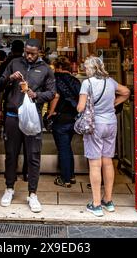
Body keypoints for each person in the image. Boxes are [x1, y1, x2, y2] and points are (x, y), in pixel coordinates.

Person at [0, 38, 56, 213]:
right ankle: (9, 189)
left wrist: (35, 95)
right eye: (27, 52)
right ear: (24, 50)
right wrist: (9, 78)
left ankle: (33, 194)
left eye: (33, 53)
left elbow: (52, 93)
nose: (29, 56)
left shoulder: (46, 69)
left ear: (39, 52)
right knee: (11, 154)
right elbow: (0, 84)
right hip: (12, 116)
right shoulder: (14, 63)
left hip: (32, 117)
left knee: (33, 156)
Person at [77, 56, 130, 217]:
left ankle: (96, 204)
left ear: (90, 69)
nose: (85, 70)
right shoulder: (110, 81)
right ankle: (108, 200)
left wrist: (87, 107)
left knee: (95, 164)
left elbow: (80, 108)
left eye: (86, 67)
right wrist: (113, 103)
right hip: (111, 123)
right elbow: (126, 92)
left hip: (95, 125)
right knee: (108, 162)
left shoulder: (87, 83)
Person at [0, 40, 28, 180]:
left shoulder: (4, 64)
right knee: (28, 144)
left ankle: (11, 173)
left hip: (9, 107)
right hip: (26, 108)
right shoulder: (25, 64)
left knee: (11, 146)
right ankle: (26, 172)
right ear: (23, 50)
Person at [48, 56, 81, 188]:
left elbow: (55, 96)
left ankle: (65, 179)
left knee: (63, 148)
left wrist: (50, 112)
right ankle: (71, 175)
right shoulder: (75, 80)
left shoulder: (56, 78)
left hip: (60, 118)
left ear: (59, 67)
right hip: (73, 118)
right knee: (67, 147)